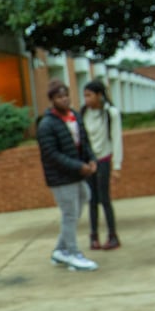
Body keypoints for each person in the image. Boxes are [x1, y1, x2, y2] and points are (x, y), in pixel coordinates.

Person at [37, 81, 99, 271]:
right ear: (52, 100)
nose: (64, 99)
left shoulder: (75, 117)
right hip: (61, 177)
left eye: (66, 95)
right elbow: (51, 154)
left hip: (77, 173)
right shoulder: (47, 124)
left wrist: (91, 159)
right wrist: (77, 167)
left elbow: (84, 142)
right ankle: (73, 253)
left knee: (83, 199)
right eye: (59, 97)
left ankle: (60, 250)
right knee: (70, 213)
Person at [81, 79, 123, 250]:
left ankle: (113, 235)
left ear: (99, 95)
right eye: (84, 96)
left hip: (104, 160)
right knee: (91, 200)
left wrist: (117, 166)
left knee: (105, 199)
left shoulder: (110, 113)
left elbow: (117, 139)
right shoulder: (84, 113)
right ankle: (94, 236)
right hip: (89, 162)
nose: (86, 99)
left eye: (89, 95)